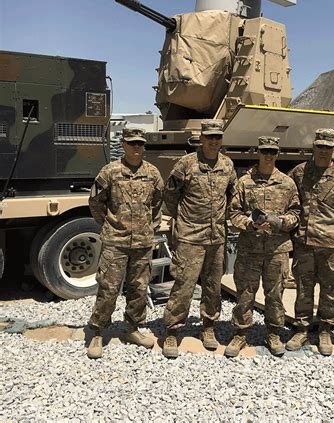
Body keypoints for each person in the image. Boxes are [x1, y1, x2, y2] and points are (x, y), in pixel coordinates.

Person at [162, 119, 237, 358]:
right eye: (209, 137)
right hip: (190, 236)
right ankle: (173, 330)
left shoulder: (227, 165)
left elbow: (233, 195)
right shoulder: (186, 164)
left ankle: (208, 326)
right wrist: (181, 220)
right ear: (202, 138)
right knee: (184, 284)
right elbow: (170, 194)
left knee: (213, 286)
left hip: (217, 237)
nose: (213, 141)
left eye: (217, 138)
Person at [87, 128, 164, 359]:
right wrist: (109, 224)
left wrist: (152, 226)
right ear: (124, 145)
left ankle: (133, 328)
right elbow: (95, 201)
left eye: (140, 143)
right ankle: (98, 332)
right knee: (108, 288)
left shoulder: (152, 173)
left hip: (142, 241)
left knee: (139, 288)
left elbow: (158, 202)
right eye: (132, 143)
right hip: (115, 242)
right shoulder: (110, 171)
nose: (136, 147)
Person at [286, 129, 334, 355]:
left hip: (331, 245)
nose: (323, 151)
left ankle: (326, 329)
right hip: (304, 244)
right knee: (303, 289)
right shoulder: (299, 173)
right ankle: (302, 329)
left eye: (328, 147)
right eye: (320, 146)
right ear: (313, 147)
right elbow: (286, 200)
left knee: (329, 291)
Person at [225, 137, 300, 357]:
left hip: (277, 249)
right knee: (245, 293)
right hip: (250, 248)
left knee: (275, 293)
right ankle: (240, 334)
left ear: (277, 154)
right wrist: (249, 225)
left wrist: (281, 222)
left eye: (273, 152)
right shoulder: (244, 183)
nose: (269, 155)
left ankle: (273, 333)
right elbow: (233, 213)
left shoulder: (287, 183)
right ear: (258, 152)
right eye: (265, 151)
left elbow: (296, 213)